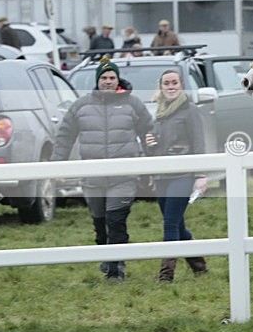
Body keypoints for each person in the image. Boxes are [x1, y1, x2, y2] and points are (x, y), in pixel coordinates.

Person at [50, 58, 153, 282]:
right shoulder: (81, 105)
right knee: (100, 223)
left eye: (112, 78)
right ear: (98, 81)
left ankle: (117, 269)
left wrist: (154, 164)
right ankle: (107, 259)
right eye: (104, 78)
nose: (107, 81)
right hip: (92, 178)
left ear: (118, 80)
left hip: (123, 177)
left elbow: (149, 133)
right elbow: (65, 136)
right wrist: (58, 163)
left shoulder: (133, 104)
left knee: (116, 220)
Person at [146, 69, 209, 282]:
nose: (171, 86)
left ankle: (166, 276)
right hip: (162, 176)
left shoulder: (190, 110)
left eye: (174, 83)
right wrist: (150, 144)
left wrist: (201, 175)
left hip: (183, 175)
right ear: (161, 87)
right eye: (167, 83)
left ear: (181, 85)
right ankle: (199, 266)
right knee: (178, 224)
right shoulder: (160, 113)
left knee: (170, 224)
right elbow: (157, 147)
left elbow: (199, 143)